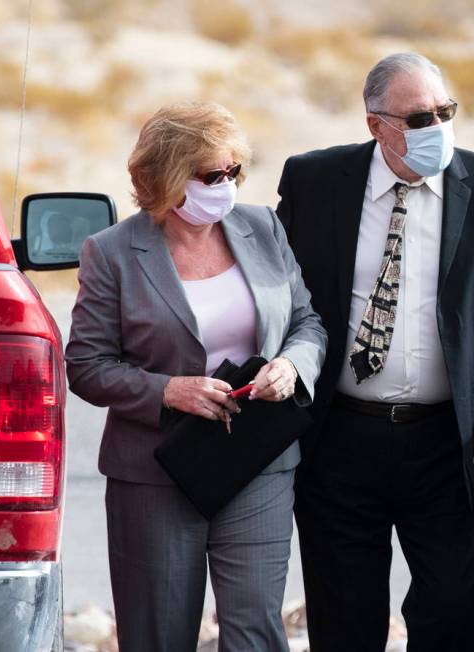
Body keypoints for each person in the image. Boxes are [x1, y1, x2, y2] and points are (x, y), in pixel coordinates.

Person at [276, 52, 474, 651]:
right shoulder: (313, 183)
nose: (439, 128)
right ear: (376, 124)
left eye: (446, 112)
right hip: (338, 441)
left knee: (448, 619)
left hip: (445, 446)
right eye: (420, 118)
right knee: (344, 622)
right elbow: (276, 298)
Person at [66, 102, 326, 652]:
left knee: (255, 630)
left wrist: (291, 366)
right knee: (158, 633)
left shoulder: (263, 227)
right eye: (213, 175)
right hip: (155, 472)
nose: (227, 185)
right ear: (166, 176)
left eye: (235, 172)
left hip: (258, 459)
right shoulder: (111, 253)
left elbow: (306, 323)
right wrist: (168, 390)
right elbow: (86, 366)